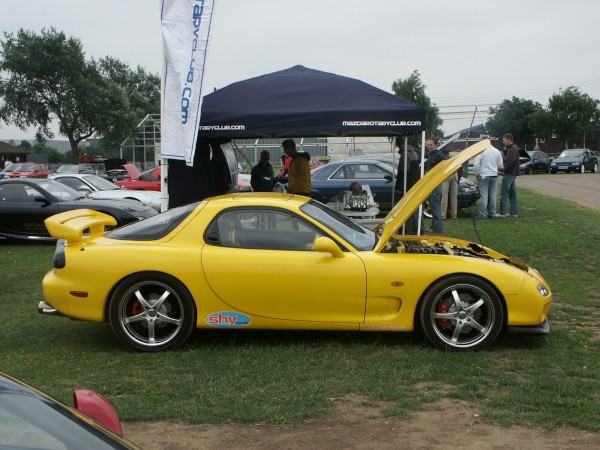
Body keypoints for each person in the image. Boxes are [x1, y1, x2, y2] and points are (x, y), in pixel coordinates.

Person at [473, 135, 504, 219]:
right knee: (493, 195)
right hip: (494, 175)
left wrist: (477, 173)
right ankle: (492, 213)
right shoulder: (496, 151)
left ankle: (483, 214)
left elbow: (476, 165)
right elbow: (500, 165)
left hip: (484, 175)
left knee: (484, 196)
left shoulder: (481, 151)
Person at [425, 137, 445, 233]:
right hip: (431, 183)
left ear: (436, 145)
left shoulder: (439, 155)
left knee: (435, 206)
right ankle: (434, 227)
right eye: (428, 145)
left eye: (431, 145)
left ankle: (438, 229)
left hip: (436, 183)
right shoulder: (430, 155)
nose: (429, 146)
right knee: (433, 206)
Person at [499, 133, 520, 217]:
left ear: (509, 139)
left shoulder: (513, 149)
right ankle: (514, 213)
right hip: (512, 173)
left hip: (510, 173)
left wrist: (505, 170)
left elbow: (511, 162)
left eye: (504, 140)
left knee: (504, 192)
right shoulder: (512, 149)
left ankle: (502, 213)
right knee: (512, 192)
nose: (503, 142)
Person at [440, 148, 459, 220]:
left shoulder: (442, 159)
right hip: (454, 174)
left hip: (445, 175)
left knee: (444, 197)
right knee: (454, 197)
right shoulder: (452, 159)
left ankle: (443, 215)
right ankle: (454, 215)